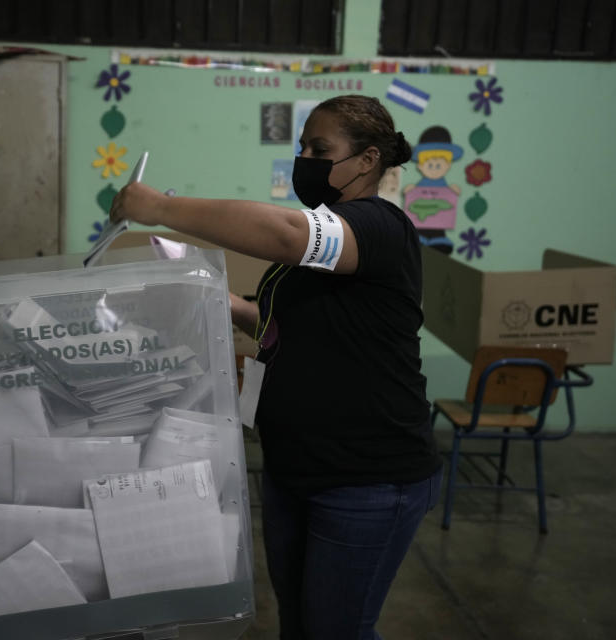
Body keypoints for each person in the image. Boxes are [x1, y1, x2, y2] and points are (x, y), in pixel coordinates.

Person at [110, 95, 442, 640]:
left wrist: (163, 207)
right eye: (302, 146)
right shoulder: (329, 242)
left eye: (321, 148)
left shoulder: (380, 227)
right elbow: (285, 327)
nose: (305, 158)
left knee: (335, 631)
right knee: (301, 626)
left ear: (366, 161)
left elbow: (288, 235)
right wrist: (224, 302)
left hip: (367, 477)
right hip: (296, 468)